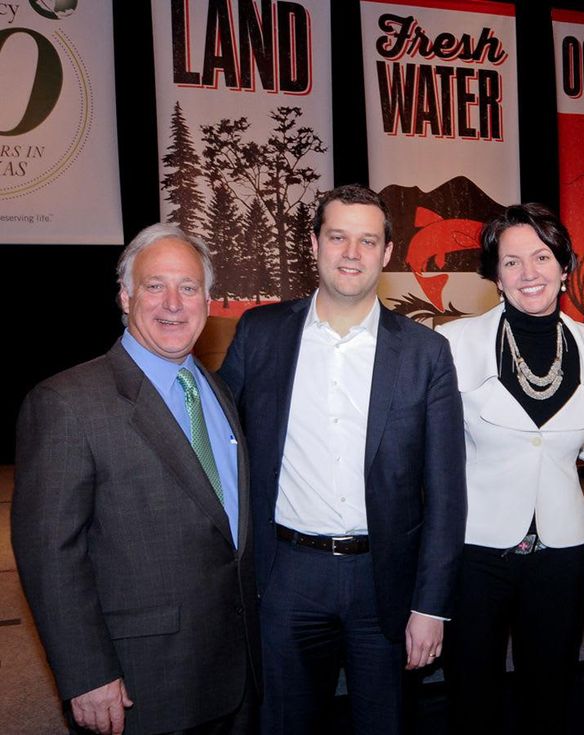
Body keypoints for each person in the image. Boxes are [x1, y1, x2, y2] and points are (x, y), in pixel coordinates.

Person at [218, 184, 466, 734]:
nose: (351, 252)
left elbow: (447, 493)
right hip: (287, 576)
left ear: (385, 253)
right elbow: (217, 439)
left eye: (367, 240)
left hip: (385, 581)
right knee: (283, 723)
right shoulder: (260, 335)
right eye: (337, 237)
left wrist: (431, 605)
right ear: (314, 244)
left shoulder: (426, 354)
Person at [12, 224, 259, 735]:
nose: (173, 302)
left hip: (236, 668)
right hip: (144, 682)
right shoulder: (67, 403)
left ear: (207, 301)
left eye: (188, 287)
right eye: (154, 285)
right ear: (125, 297)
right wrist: (87, 674)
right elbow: (49, 553)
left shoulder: (216, 391)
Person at [436, 204, 584, 734]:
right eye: (511, 262)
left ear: (565, 267)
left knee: (551, 693)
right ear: (494, 274)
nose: (528, 272)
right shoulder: (453, 344)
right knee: (472, 696)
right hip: (475, 551)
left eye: (541, 257)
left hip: (562, 552)